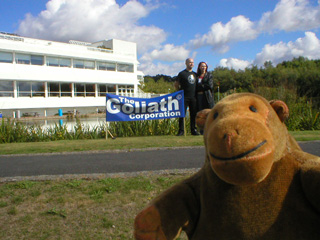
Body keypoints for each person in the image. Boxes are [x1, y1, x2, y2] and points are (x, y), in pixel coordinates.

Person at [174, 58, 200, 136]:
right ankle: (181, 130)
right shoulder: (182, 74)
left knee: (193, 114)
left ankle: (193, 130)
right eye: (189, 62)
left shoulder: (195, 74)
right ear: (186, 63)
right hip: (184, 97)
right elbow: (176, 84)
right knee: (182, 114)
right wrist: (179, 91)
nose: (191, 64)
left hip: (193, 97)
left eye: (192, 62)